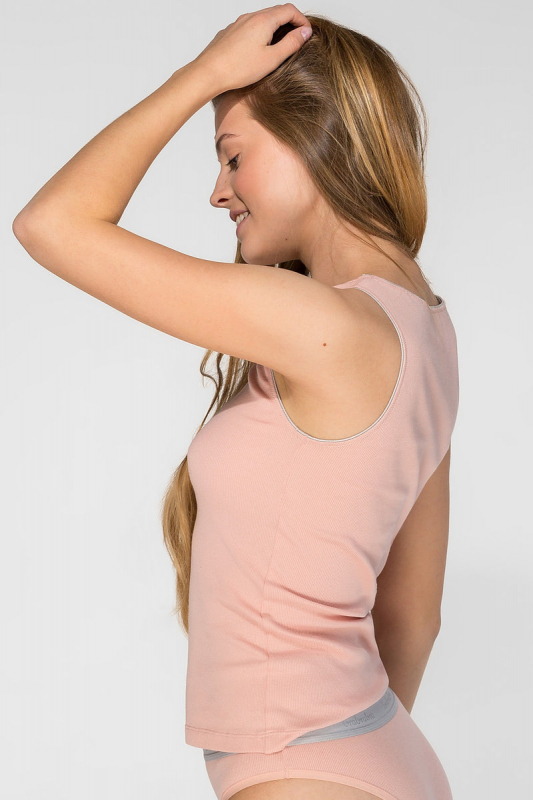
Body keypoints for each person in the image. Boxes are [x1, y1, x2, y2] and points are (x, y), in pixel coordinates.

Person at [12, 6, 459, 799]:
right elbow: (412, 614)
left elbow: (51, 224)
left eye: (233, 156)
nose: (218, 192)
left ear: (315, 140)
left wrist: (205, 74)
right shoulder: (423, 326)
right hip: (367, 757)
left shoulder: (323, 324)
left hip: (308, 773)